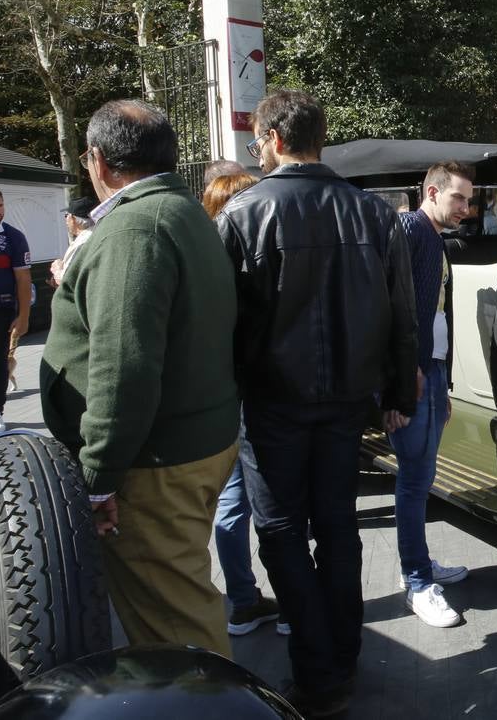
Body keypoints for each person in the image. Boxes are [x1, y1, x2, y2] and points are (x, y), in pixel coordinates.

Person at [215, 90, 417, 717]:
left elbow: (222, 324)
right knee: (336, 527)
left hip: (272, 402)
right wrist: (397, 393)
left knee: (281, 532)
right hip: (345, 400)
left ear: (275, 138)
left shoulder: (243, 215)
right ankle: (341, 656)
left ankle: (319, 672)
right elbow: (403, 314)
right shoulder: (373, 214)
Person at [40, 100, 240, 656]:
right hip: (184, 446)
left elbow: (124, 366)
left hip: (153, 462)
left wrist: (100, 472)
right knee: (180, 598)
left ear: (98, 162)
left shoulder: (134, 227)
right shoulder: (178, 213)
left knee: (175, 628)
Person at [387, 162, 473, 629]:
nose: (467, 207)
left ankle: (416, 565)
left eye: (468, 199)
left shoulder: (428, 234)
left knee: (421, 476)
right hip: (416, 376)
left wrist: (440, 381)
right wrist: (402, 381)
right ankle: (417, 580)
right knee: (415, 477)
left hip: (430, 373)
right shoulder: (410, 230)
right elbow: (393, 311)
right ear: (434, 192)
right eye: (459, 198)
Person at [200, 173, 286, 638]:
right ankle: (287, 603)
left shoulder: (205, 260)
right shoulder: (251, 261)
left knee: (233, 504)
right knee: (278, 500)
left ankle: (243, 600)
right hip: (259, 395)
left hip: (224, 396)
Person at [0, 186, 32, 431]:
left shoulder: (13, 237)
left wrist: (23, 316)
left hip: (0, 311)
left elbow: (23, 279)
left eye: (0, 205)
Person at [49, 195, 97, 287]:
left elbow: (67, 280)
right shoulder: (96, 233)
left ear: (72, 218)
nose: (66, 220)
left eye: (66, 215)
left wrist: (57, 269)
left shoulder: (84, 241)